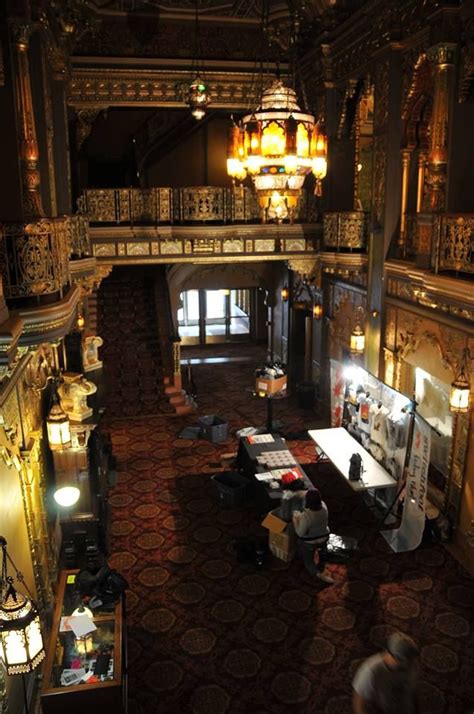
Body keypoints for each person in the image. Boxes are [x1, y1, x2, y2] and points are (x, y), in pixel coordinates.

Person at [352, 632, 420, 714]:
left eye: (411, 659)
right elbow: (358, 703)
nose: (409, 663)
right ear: (389, 654)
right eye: (402, 659)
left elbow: (412, 689)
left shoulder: (412, 663)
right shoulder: (371, 671)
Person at [292, 488, 333, 584]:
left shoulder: (306, 517)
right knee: (323, 549)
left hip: (310, 542)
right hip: (324, 536)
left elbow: (300, 533)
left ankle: (317, 574)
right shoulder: (324, 506)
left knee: (309, 562)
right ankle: (323, 557)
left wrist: (295, 520)